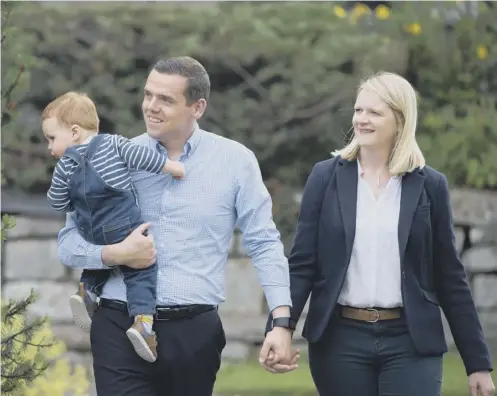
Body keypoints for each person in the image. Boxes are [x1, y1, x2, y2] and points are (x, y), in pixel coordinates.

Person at [57, 56, 294, 396]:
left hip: (195, 333)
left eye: (165, 99)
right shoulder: (108, 157)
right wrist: (115, 253)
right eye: (148, 95)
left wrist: (281, 320)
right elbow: (68, 243)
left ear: (197, 107)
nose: (151, 107)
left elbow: (264, 242)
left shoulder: (236, 161)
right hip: (119, 323)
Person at [259, 72, 495, 396]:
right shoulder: (325, 177)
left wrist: (477, 363)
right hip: (340, 341)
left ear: (399, 119)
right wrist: (281, 327)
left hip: (411, 341)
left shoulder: (430, 185)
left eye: (374, 112)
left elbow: (450, 276)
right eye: (358, 110)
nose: (362, 120)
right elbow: (302, 264)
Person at [43, 92, 185, 363]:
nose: (49, 146)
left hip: (91, 232)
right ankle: (142, 324)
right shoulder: (114, 144)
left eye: (52, 138)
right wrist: (172, 167)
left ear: (74, 132)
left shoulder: (63, 168)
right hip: (124, 226)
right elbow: (146, 159)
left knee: (101, 260)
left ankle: (87, 291)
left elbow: (57, 203)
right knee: (141, 272)